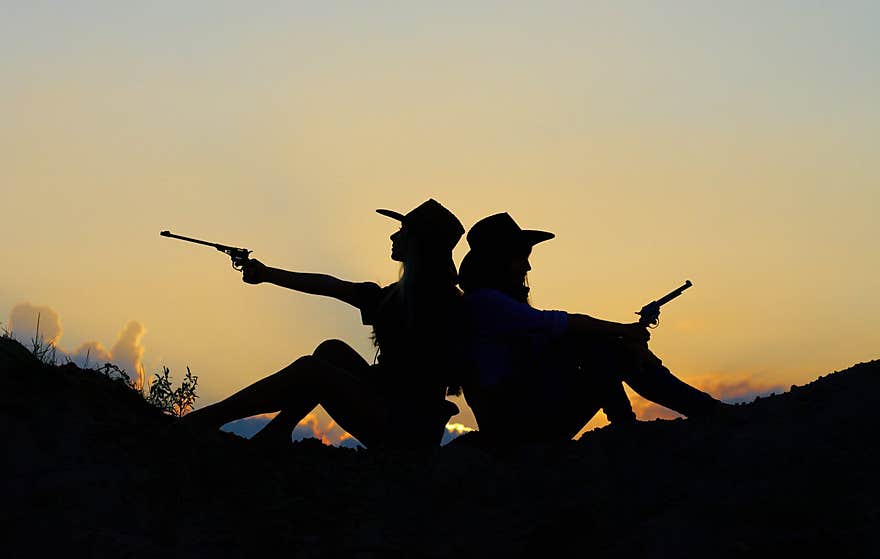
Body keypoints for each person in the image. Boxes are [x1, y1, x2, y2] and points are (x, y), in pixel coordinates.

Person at [182, 199, 465, 450]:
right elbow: (331, 286)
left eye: (403, 232)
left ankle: (209, 418)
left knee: (312, 370)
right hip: (390, 409)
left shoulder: (439, 302)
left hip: (408, 430)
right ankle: (277, 431)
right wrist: (268, 274)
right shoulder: (398, 296)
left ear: (418, 244)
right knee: (331, 351)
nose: (394, 236)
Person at [457, 212, 727, 443]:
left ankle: (640, 421)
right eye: (520, 258)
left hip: (522, 417)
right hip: (516, 427)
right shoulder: (486, 303)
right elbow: (566, 323)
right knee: (603, 348)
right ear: (499, 261)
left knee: (599, 346)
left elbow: (564, 336)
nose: (527, 266)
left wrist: (623, 340)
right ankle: (679, 415)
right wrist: (626, 332)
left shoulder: (489, 305)